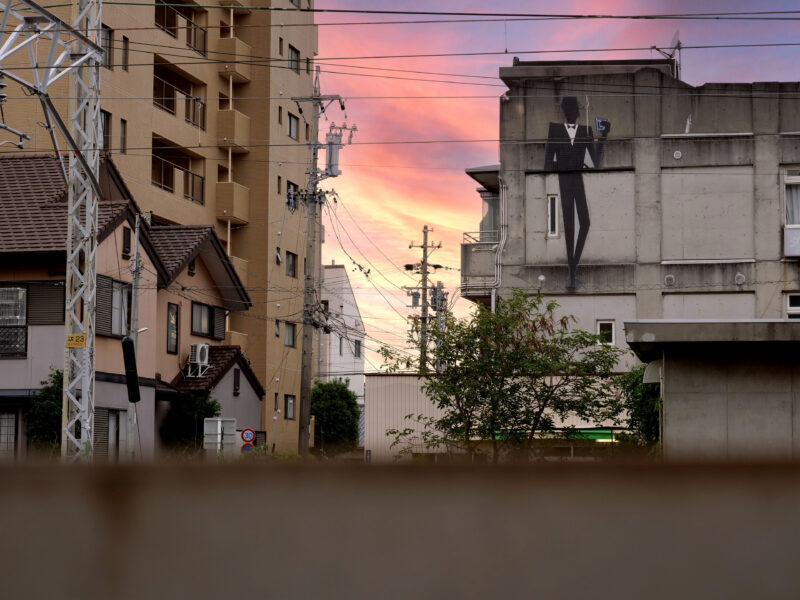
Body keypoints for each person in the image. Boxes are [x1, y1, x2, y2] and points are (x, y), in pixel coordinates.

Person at [544, 96, 610, 288]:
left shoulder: (586, 131)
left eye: (576, 110)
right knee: (570, 225)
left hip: (578, 179)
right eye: (571, 110)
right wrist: (563, 165)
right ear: (566, 112)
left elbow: (595, 162)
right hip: (564, 180)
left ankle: (572, 271)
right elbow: (548, 161)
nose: (574, 113)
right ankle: (571, 275)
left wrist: (604, 136)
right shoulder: (555, 130)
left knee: (585, 222)